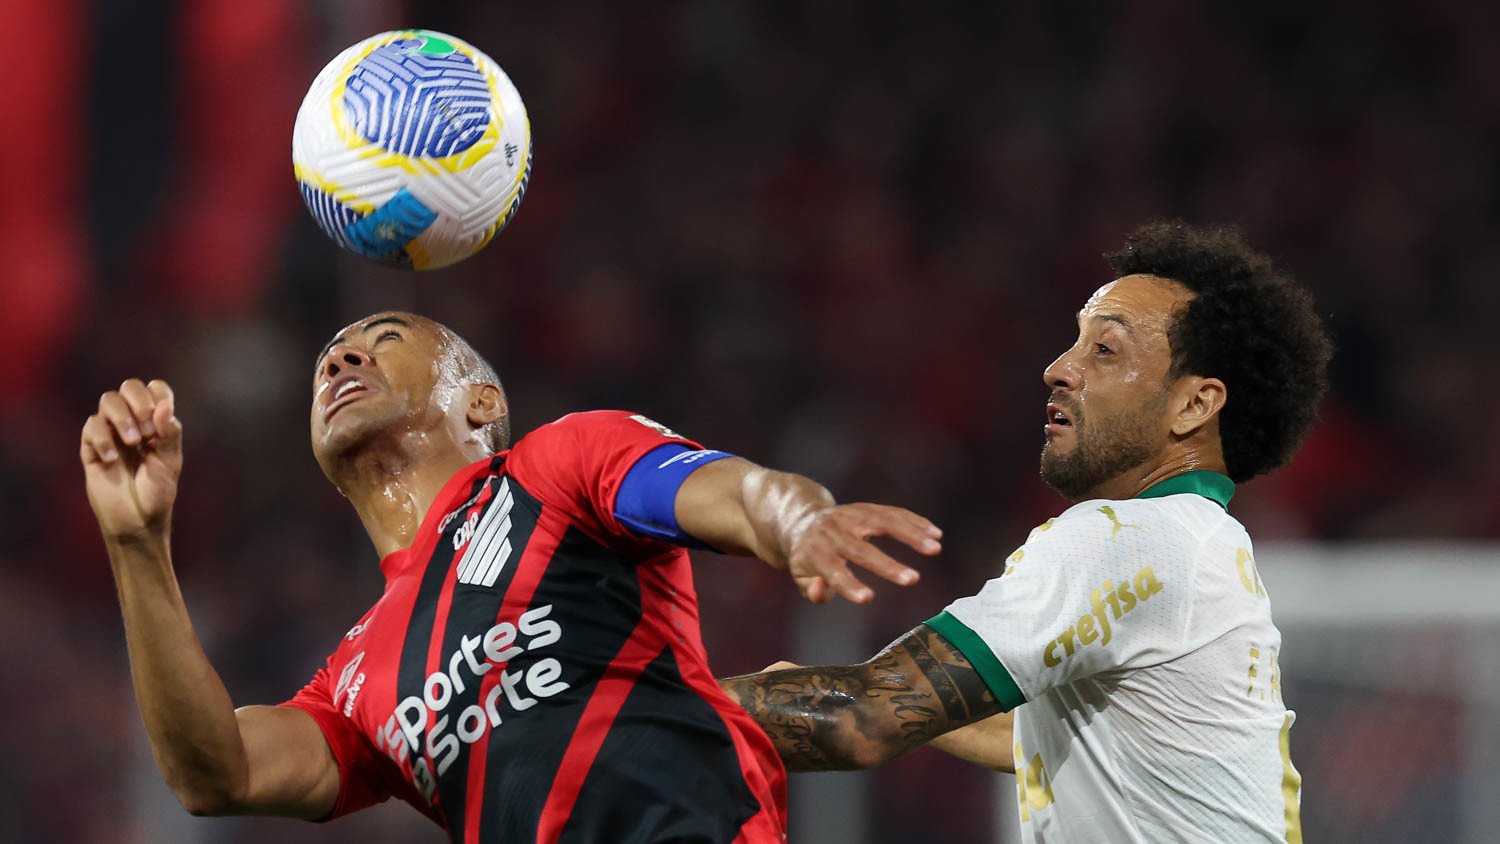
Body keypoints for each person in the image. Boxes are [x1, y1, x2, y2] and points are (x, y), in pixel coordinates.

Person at [80, 311, 943, 843]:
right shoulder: (355, 674)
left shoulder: (555, 467)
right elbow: (212, 775)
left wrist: (800, 521)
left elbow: (732, 490)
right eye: (327, 365)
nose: (342, 363)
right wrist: (136, 541)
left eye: (382, 343)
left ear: (483, 403)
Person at [721, 221, 1332, 843]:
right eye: (1076, 342)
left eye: (1106, 350)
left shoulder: (1124, 537)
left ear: (1195, 405)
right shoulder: (1204, 541)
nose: (1058, 368)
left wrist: (638, 702)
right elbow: (1070, 737)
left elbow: (862, 719)